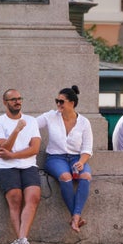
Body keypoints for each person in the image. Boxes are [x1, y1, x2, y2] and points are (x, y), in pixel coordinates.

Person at [0, 89, 41, 244]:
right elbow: (2, 149)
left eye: (19, 99)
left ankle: (21, 240)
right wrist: (16, 130)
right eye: (13, 100)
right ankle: (23, 242)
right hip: (4, 167)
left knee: (33, 196)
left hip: (28, 165)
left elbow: (35, 149)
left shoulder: (31, 121)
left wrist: (13, 155)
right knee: (16, 198)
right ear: (5, 102)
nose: (17, 102)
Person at [37, 85, 93, 232]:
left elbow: (87, 148)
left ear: (72, 103)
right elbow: (32, 125)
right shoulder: (51, 116)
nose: (58, 104)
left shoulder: (84, 122)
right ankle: (76, 217)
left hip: (76, 157)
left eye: (61, 101)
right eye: (57, 101)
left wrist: (81, 162)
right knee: (65, 177)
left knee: (86, 175)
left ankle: (75, 217)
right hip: (55, 158)